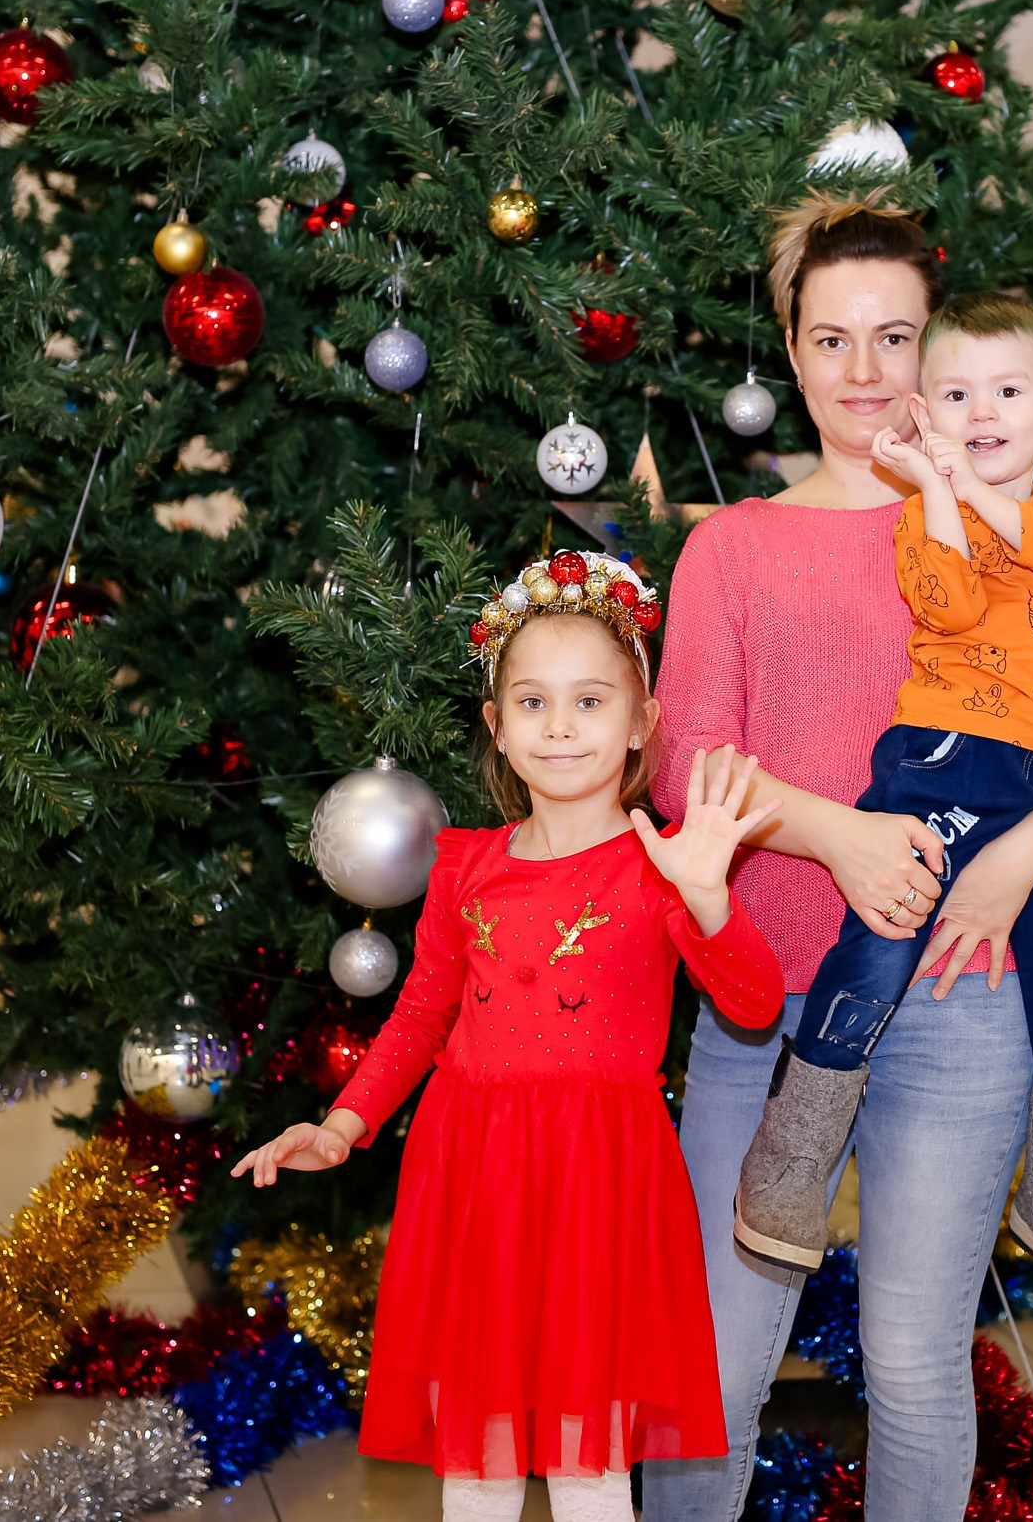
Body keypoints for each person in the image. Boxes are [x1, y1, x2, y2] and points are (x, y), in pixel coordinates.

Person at [644, 196, 1033, 1522]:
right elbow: (685, 774)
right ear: (789, 354)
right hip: (766, 1000)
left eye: (894, 336)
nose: (864, 373)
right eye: (830, 339)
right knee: (717, 1373)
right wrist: (837, 832)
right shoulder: (735, 546)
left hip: (967, 998)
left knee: (912, 1358)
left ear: (937, 347)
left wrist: (1018, 857)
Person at [230, 557, 787, 1522]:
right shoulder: (463, 868)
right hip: (473, 1171)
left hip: (601, 1179)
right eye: (533, 701)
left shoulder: (661, 865)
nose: (561, 725)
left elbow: (754, 1001)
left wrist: (707, 895)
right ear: (496, 724)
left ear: (642, 721)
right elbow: (422, 1012)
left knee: (590, 1453)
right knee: (479, 1449)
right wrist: (345, 1120)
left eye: (589, 700)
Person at [731, 292, 1033, 1308]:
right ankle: (786, 1164)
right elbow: (953, 603)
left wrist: (969, 486)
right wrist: (942, 492)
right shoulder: (926, 518)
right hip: (943, 765)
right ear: (925, 408)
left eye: (1007, 392)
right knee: (873, 949)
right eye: (956, 395)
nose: (982, 412)